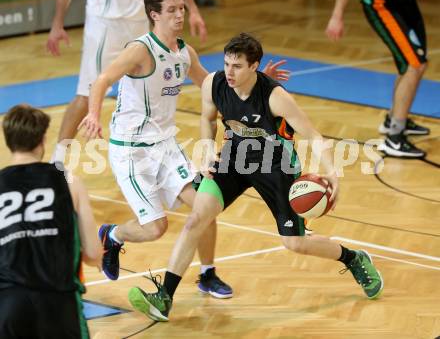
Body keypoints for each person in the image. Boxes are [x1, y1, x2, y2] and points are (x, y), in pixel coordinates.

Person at [126, 33, 384, 322]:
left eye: (237, 66)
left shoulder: (275, 97)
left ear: (254, 66)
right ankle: (165, 297)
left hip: (276, 168)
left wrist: (333, 172)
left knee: (295, 243)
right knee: (197, 217)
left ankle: (353, 258)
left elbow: (312, 133)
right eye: (226, 64)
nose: (229, 72)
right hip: (233, 159)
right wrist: (209, 150)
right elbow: (206, 118)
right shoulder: (214, 83)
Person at [78, 0, 289, 299]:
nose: (180, 15)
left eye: (182, 8)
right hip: (132, 151)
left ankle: (208, 274)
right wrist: (94, 115)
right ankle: (113, 235)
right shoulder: (140, 50)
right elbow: (102, 80)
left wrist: (255, 80)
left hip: (166, 146)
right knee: (155, 228)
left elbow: (213, 86)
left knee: (205, 207)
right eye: (172, 10)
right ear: (154, 15)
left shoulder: (184, 53)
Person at [47, 0, 207, 164]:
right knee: (87, 94)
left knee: (149, 89)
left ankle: (147, 149)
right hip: (106, 24)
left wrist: (193, 11)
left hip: (142, 21)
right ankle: (57, 160)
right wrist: (57, 23)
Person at [0, 104, 102, 338]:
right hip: (57, 303)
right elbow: (93, 254)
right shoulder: (68, 180)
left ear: (8, 141)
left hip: (8, 304)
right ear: (43, 139)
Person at [326, 0, 440, 158]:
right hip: (380, 6)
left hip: (405, 3)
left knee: (413, 64)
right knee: (414, 64)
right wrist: (337, 16)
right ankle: (394, 138)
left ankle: (392, 120)